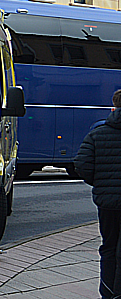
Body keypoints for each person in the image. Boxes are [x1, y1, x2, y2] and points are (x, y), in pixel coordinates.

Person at [74, 89, 121, 299]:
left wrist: (100, 183)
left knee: (109, 247)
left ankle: (108, 293)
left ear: (114, 107)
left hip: (107, 203)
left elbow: (82, 164)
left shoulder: (97, 133)